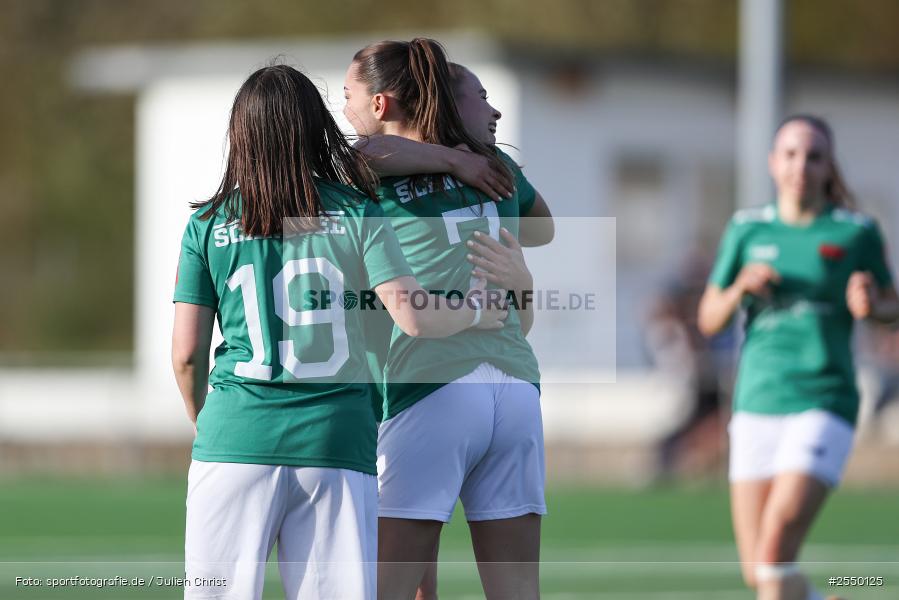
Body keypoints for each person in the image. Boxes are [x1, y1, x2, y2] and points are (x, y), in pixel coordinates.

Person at [172, 64, 506, 600]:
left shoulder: (207, 224)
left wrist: (207, 421)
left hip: (235, 433)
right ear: (316, 127)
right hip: (337, 438)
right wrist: (473, 312)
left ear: (240, 133)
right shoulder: (357, 212)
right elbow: (413, 316)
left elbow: (187, 354)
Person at [343, 39, 545, 600]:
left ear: (382, 102)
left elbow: (354, 156)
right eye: (483, 97)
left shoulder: (366, 179)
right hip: (515, 386)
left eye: (348, 94)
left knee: (385, 588)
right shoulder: (495, 168)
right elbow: (544, 228)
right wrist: (463, 161)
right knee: (517, 591)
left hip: (427, 384)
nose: (344, 107)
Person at [697, 114, 899, 600]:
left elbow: (891, 306)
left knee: (773, 554)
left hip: (823, 399)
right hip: (756, 400)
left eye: (814, 156)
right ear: (772, 162)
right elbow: (708, 318)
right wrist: (740, 288)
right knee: (760, 573)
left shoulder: (855, 232)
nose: (800, 166)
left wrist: (872, 305)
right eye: (790, 154)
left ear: (829, 166)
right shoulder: (747, 229)